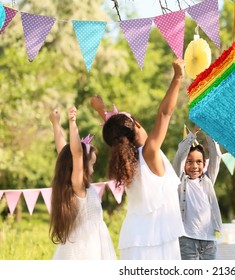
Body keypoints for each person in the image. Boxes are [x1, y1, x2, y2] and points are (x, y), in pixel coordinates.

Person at [91, 58, 186, 260]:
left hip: (134, 242)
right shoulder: (149, 153)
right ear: (135, 124)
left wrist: (102, 110)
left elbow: (116, 130)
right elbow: (164, 114)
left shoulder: (128, 160)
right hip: (157, 244)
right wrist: (178, 77)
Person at [49, 107, 117, 260]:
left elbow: (63, 152)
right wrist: (72, 122)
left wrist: (55, 124)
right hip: (86, 247)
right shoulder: (78, 186)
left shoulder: (77, 185)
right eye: (90, 164)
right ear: (80, 166)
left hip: (92, 242)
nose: (92, 170)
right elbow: (76, 153)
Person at [172, 125, 223, 260]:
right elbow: (179, 156)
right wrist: (193, 132)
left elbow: (217, 155)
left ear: (204, 164)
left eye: (199, 162)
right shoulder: (180, 180)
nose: (194, 166)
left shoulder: (208, 180)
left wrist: (208, 131)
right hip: (187, 240)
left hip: (209, 241)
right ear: (184, 164)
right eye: (189, 162)